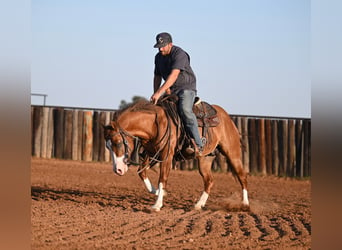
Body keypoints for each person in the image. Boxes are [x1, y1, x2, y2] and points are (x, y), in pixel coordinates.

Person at [150, 32, 203, 156]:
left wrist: (159, 92)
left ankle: (198, 144)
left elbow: (174, 75)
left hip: (186, 88)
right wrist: (155, 94)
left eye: (163, 46)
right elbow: (157, 76)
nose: (160, 49)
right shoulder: (158, 57)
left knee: (185, 110)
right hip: (170, 90)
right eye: (159, 46)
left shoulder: (179, 54)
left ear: (170, 44)